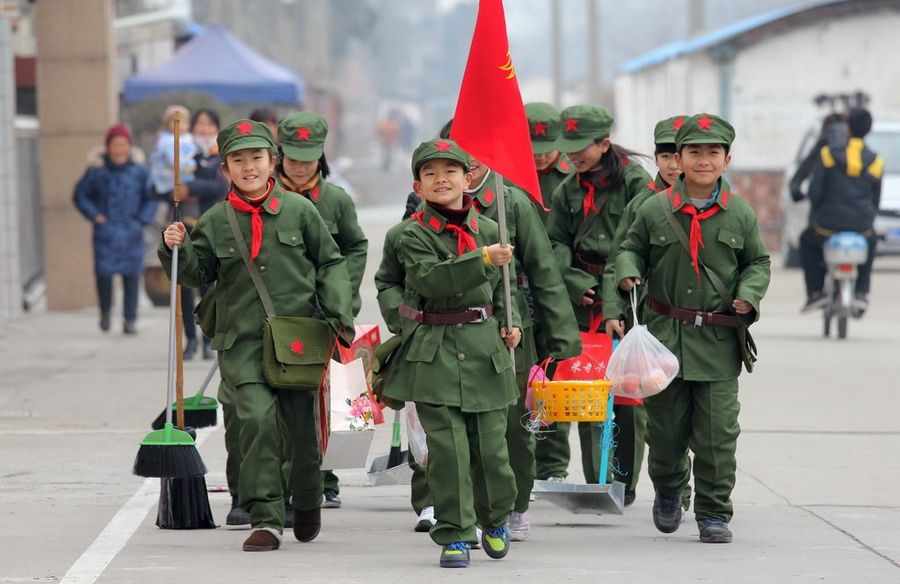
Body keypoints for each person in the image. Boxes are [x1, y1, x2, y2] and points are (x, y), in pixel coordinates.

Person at [159, 119, 354, 552]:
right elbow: (195, 273)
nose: (249, 167)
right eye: (238, 160)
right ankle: (265, 516)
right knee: (255, 422)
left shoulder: (302, 212)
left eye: (257, 158)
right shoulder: (215, 219)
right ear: (225, 169)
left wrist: (340, 316)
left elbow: (331, 263)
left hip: (298, 340)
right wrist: (175, 245)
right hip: (241, 341)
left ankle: (305, 499)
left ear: (273, 162)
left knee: (301, 431)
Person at [615, 113, 770, 544]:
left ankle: (714, 512)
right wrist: (627, 274)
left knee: (718, 436)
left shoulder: (739, 213)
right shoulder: (654, 209)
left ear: (727, 160)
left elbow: (757, 262)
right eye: (694, 152)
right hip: (666, 339)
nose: (704, 160)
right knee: (665, 433)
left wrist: (749, 296)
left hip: (719, 343)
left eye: (713, 153)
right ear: (678, 159)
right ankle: (668, 490)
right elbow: (630, 249)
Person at [382, 138, 521, 568]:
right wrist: (481, 258)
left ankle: (496, 517)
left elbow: (505, 289)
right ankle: (456, 534)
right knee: (449, 452)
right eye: (430, 173)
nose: (442, 179)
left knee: (493, 451)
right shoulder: (408, 234)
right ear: (417, 186)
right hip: (434, 352)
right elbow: (429, 280)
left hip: (485, 350)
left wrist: (510, 323)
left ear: (470, 178)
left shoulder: (492, 230)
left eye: (451, 171)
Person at [546, 105, 652, 487]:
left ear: (605, 143)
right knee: (589, 389)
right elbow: (554, 241)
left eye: (581, 147)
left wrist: (615, 298)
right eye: (568, 147)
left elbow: (634, 245)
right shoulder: (568, 188)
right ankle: (597, 482)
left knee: (627, 396)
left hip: (626, 295)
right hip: (583, 300)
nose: (573, 155)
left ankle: (622, 483)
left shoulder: (635, 183)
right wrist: (575, 282)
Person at [276, 111, 368, 508]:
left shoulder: (336, 200)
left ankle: (325, 478)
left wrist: (338, 297)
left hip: (325, 315)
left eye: (308, 158)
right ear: (279, 155)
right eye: (292, 158)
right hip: (279, 315)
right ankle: (279, 479)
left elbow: (355, 247)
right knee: (281, 401)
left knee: (328, 399)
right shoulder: (264, 198)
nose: (299, 167)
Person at [601, 115, 686, 506]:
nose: (674, 165)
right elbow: (620, 257)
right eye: (665, 156)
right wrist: (614, 308)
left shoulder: (725, 203)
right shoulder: (643, 203)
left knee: (704, 418)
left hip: (706, 327)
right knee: (661, 413)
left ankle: (692, 491)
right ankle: (671, 487)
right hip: (654, 320)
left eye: (680, 155)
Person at [523, 102, 578, 484]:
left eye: (548, 144)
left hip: (560, 288)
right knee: (519, 380)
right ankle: (519, 460)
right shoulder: (504, 177)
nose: (541, 153)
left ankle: (553, 465)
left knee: (554, 376)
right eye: (533, 144)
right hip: (514, 289)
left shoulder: (574, 178)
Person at [73, 124, 157, 334]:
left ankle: (130, 319)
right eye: (115, 145)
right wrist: (94, 215)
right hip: (106, 232)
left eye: (123, 145)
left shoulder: (140, 171)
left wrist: (141, 220)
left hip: (132, 231)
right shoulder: (97, 171)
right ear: (107, 147)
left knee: (131, 276)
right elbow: (80, 195)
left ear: (130, 147)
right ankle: (105, 312)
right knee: (103, 275)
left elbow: (151, 198)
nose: (119, 150)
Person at [800, 107, 882, 314]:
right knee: (871, 241)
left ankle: (816, 293)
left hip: (828, 224)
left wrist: (818, 211)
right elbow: (875, 200)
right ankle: (862, 293)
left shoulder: (827, 154)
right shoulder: (875, 160)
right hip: (862, 224)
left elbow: (815, 192)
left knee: (807, 239)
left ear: (849, 128)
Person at [179, 108, 229, 360]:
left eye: (210, 124)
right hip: (185, 227)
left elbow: (220, 185)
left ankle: (208, 335)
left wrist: (189, 187)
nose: (204, 129)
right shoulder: (183, 155)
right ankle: (189, 338)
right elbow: (162, 186)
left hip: (212, 230)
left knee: (209, 286)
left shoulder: (221, 157)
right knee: (184, 286)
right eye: (200, 124)